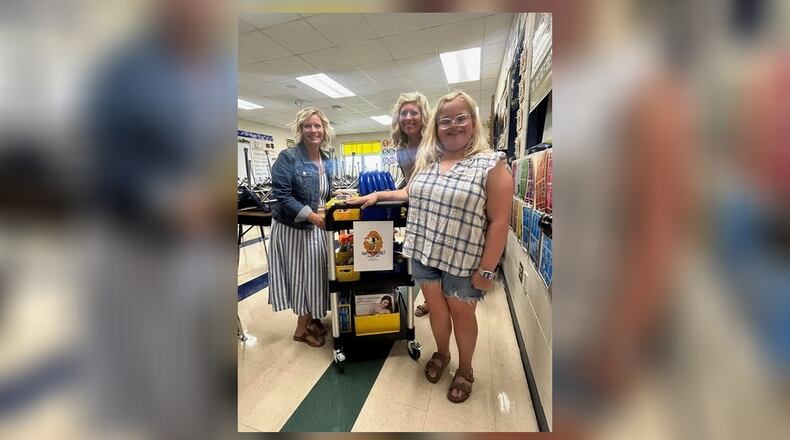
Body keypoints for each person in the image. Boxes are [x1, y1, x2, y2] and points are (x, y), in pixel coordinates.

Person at [349, 90, 513, 403]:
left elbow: (499, 222)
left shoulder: (492, 165)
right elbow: (408, 192)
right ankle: (442, 353)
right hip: (424, 252)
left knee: (462, 316)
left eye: (461, 118)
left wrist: (488, 271)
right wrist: (377, 196)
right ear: (436, 126)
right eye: (445, 120)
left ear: (473, 122)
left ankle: (465, 369)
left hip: (464, 259)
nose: (453, 125)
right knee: (437, 311)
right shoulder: (428, 161)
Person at [268, 107, 334, 348]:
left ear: (324, 130)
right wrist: (312, 216)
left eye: (317, 126)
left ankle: (312, 319)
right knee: (304, 278)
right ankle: (300, 330)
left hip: (315, 225)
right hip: (294, 228)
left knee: (318, 274)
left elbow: (324, 192)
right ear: (300, 130)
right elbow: (282, 196)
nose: (313, 130)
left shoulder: (326, 159)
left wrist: (340, 196)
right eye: (307, 126)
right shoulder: (288, 157)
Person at [389, 92, 433, 318]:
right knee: (418, 258)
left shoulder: (434, 144)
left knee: (435, 259)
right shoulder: (401, 148)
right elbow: (408, 182)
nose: (408, 117)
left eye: (413, 112)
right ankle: (430, 298)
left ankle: (433, 301)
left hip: (435, 211)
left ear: (423, 115)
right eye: (403, 113)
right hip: (414, 210)